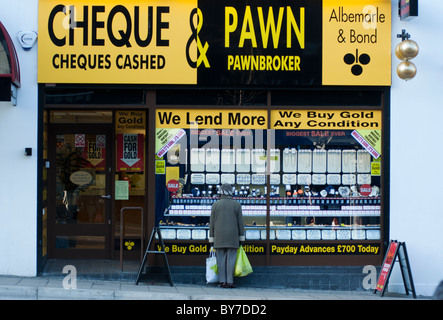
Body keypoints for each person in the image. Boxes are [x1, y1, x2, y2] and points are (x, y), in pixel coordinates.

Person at [209, 183, 245, 288]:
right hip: (232, 236)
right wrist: (241, 237)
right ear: (231, 192)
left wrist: (211, 238)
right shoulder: (236, 205)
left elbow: (212, 223)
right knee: (231, 259)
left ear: (220, 192)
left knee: (220, 259)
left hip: (218, 235)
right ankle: (229, 281)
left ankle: (222, 281)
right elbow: (240, 223)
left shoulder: (215, 205)